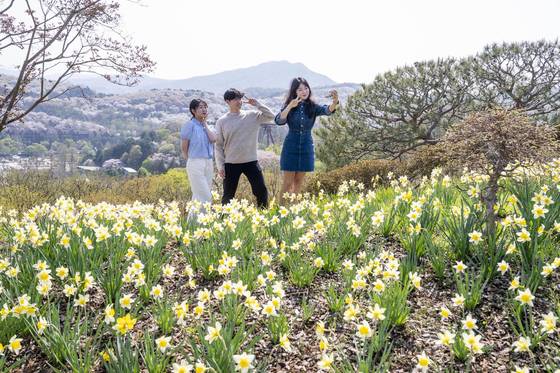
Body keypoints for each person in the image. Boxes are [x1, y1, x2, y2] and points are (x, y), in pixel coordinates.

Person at [275, 77, 339, 201]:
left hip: (306, 146)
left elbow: (327, 110)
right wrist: (289, 106)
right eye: (300, 89)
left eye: (306, 88)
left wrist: (335, 102)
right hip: (291, 146)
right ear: (294, 92)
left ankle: (294, 210)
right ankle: (281, 210)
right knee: (287, 182)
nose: (304, 91)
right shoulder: (289, 106)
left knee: (299, 182)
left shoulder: (313, 106)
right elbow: (279, 120)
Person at [215, 88, 275, 209]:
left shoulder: (252, 116)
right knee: (228, 196)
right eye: (235, 99)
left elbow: (271, 116)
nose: (239, 101)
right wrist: (220, 166)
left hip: (251, 161)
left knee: (261, 191)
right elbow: (218, 145)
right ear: (227, 101)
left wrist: (257, 104)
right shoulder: (222, 121)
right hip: (231, 163)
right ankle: (224, 222)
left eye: (240, 98)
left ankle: (263, 217)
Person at [181, 98, 216, 213]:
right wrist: (189, 160)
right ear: (193, 110)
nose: (204, 109)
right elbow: (184, 146)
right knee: (206, 195)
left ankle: (193, 223)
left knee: (198, 196)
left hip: (208, 162)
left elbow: (213, 139)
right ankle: (205, 223)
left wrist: (205, 123)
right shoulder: (189, 125)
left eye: (205, 107)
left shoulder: (207, 126)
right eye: (200, 107)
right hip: (195, 162)